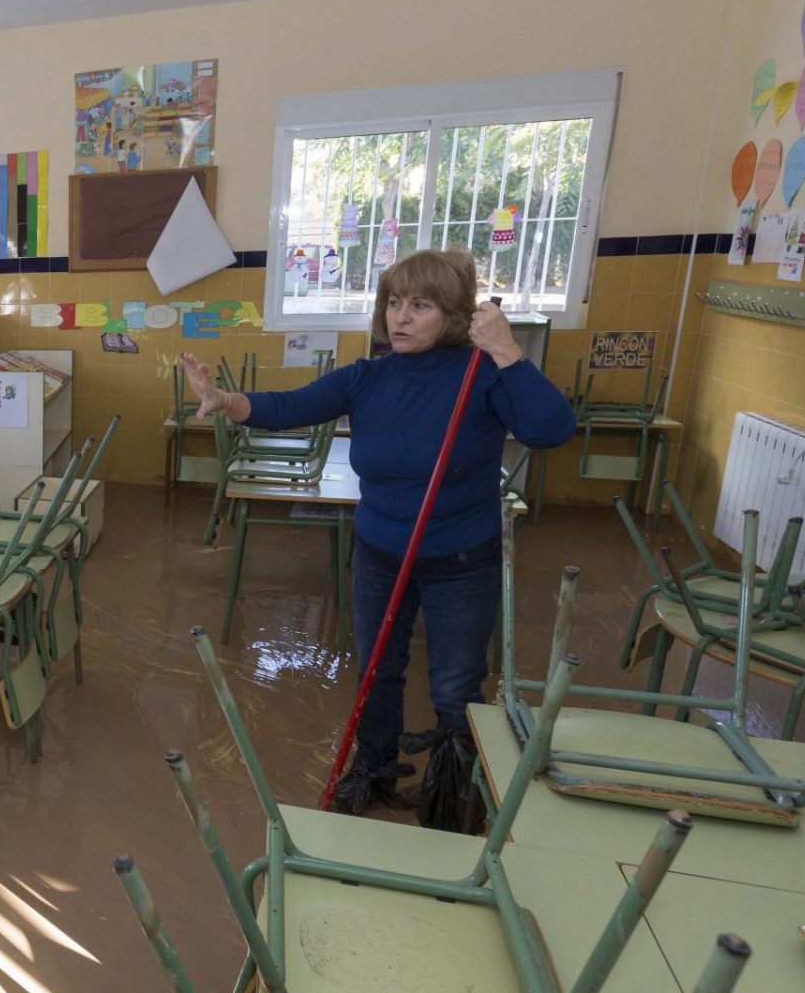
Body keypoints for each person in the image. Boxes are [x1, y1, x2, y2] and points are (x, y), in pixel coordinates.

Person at [181, 249, 575, 814]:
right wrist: (226, 401)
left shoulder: (483, 374)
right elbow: (290, 406)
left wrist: (507, 351)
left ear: (455, 316)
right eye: (394, 303)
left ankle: (451, 792)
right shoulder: (368, 377)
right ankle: (375, 768)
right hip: (380, 552)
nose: (401, 317)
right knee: (376, 670)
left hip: (462, 559)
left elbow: (552, 430)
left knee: (454, 683)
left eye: (420, 306)